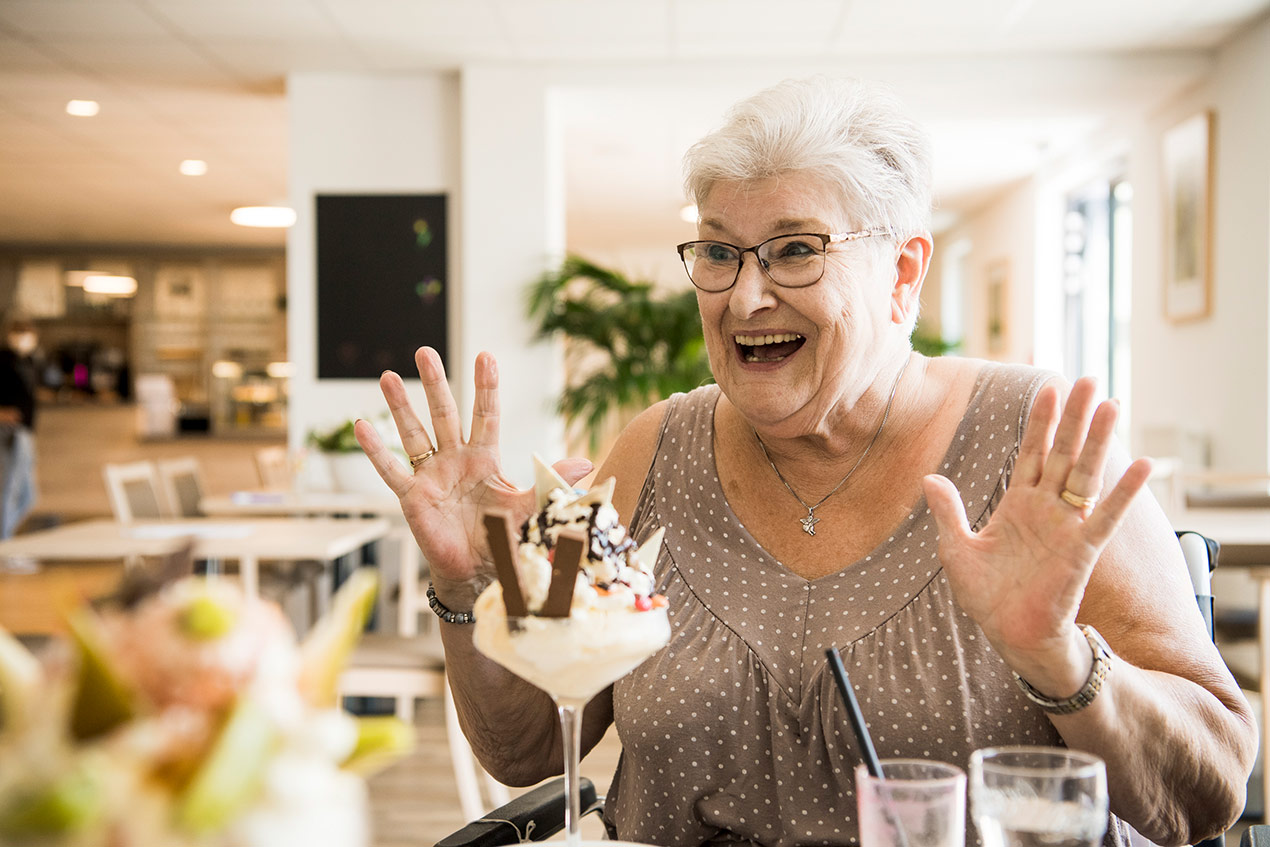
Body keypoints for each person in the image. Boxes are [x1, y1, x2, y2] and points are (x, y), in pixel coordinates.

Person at [354, 76, 1256, 847]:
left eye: (795, 249)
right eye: (718, 250)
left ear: (904, 274)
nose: (746, 295)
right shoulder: (653, 452)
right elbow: (523, 747)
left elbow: (1207, 790)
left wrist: (1061, 660)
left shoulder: (1036, 436)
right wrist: (477, 591)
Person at [0, 317, 40, 537]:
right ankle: (4, 547)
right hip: (9, 433)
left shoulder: (27, 361)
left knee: (29, 496)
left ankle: (6, 542)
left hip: (25, 433)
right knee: (9, 490)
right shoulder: (3, 360)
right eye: (20, 331)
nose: (25, 336)